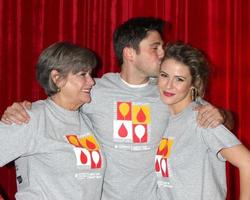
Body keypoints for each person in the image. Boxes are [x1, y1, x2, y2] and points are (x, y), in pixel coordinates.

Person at [1, 17, 230, 200]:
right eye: (155, 47)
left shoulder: (168, 92)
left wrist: (221, 115)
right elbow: (55, 107)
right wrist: (21, 110)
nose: (163, 54)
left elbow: (217, 125)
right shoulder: (94, 91)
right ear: (130, 53)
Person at [0, 42, 106, 200]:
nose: (92, 82)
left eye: (90, 74)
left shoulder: (88, 121)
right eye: (83, 74)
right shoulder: (30, 118)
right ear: (57, 78)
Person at [155, 41, 250, 200]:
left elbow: (247, 162)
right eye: (164, 75)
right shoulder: (165, 116)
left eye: (179, 79)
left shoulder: (200, 117)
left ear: (193, 84)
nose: (169, 85)